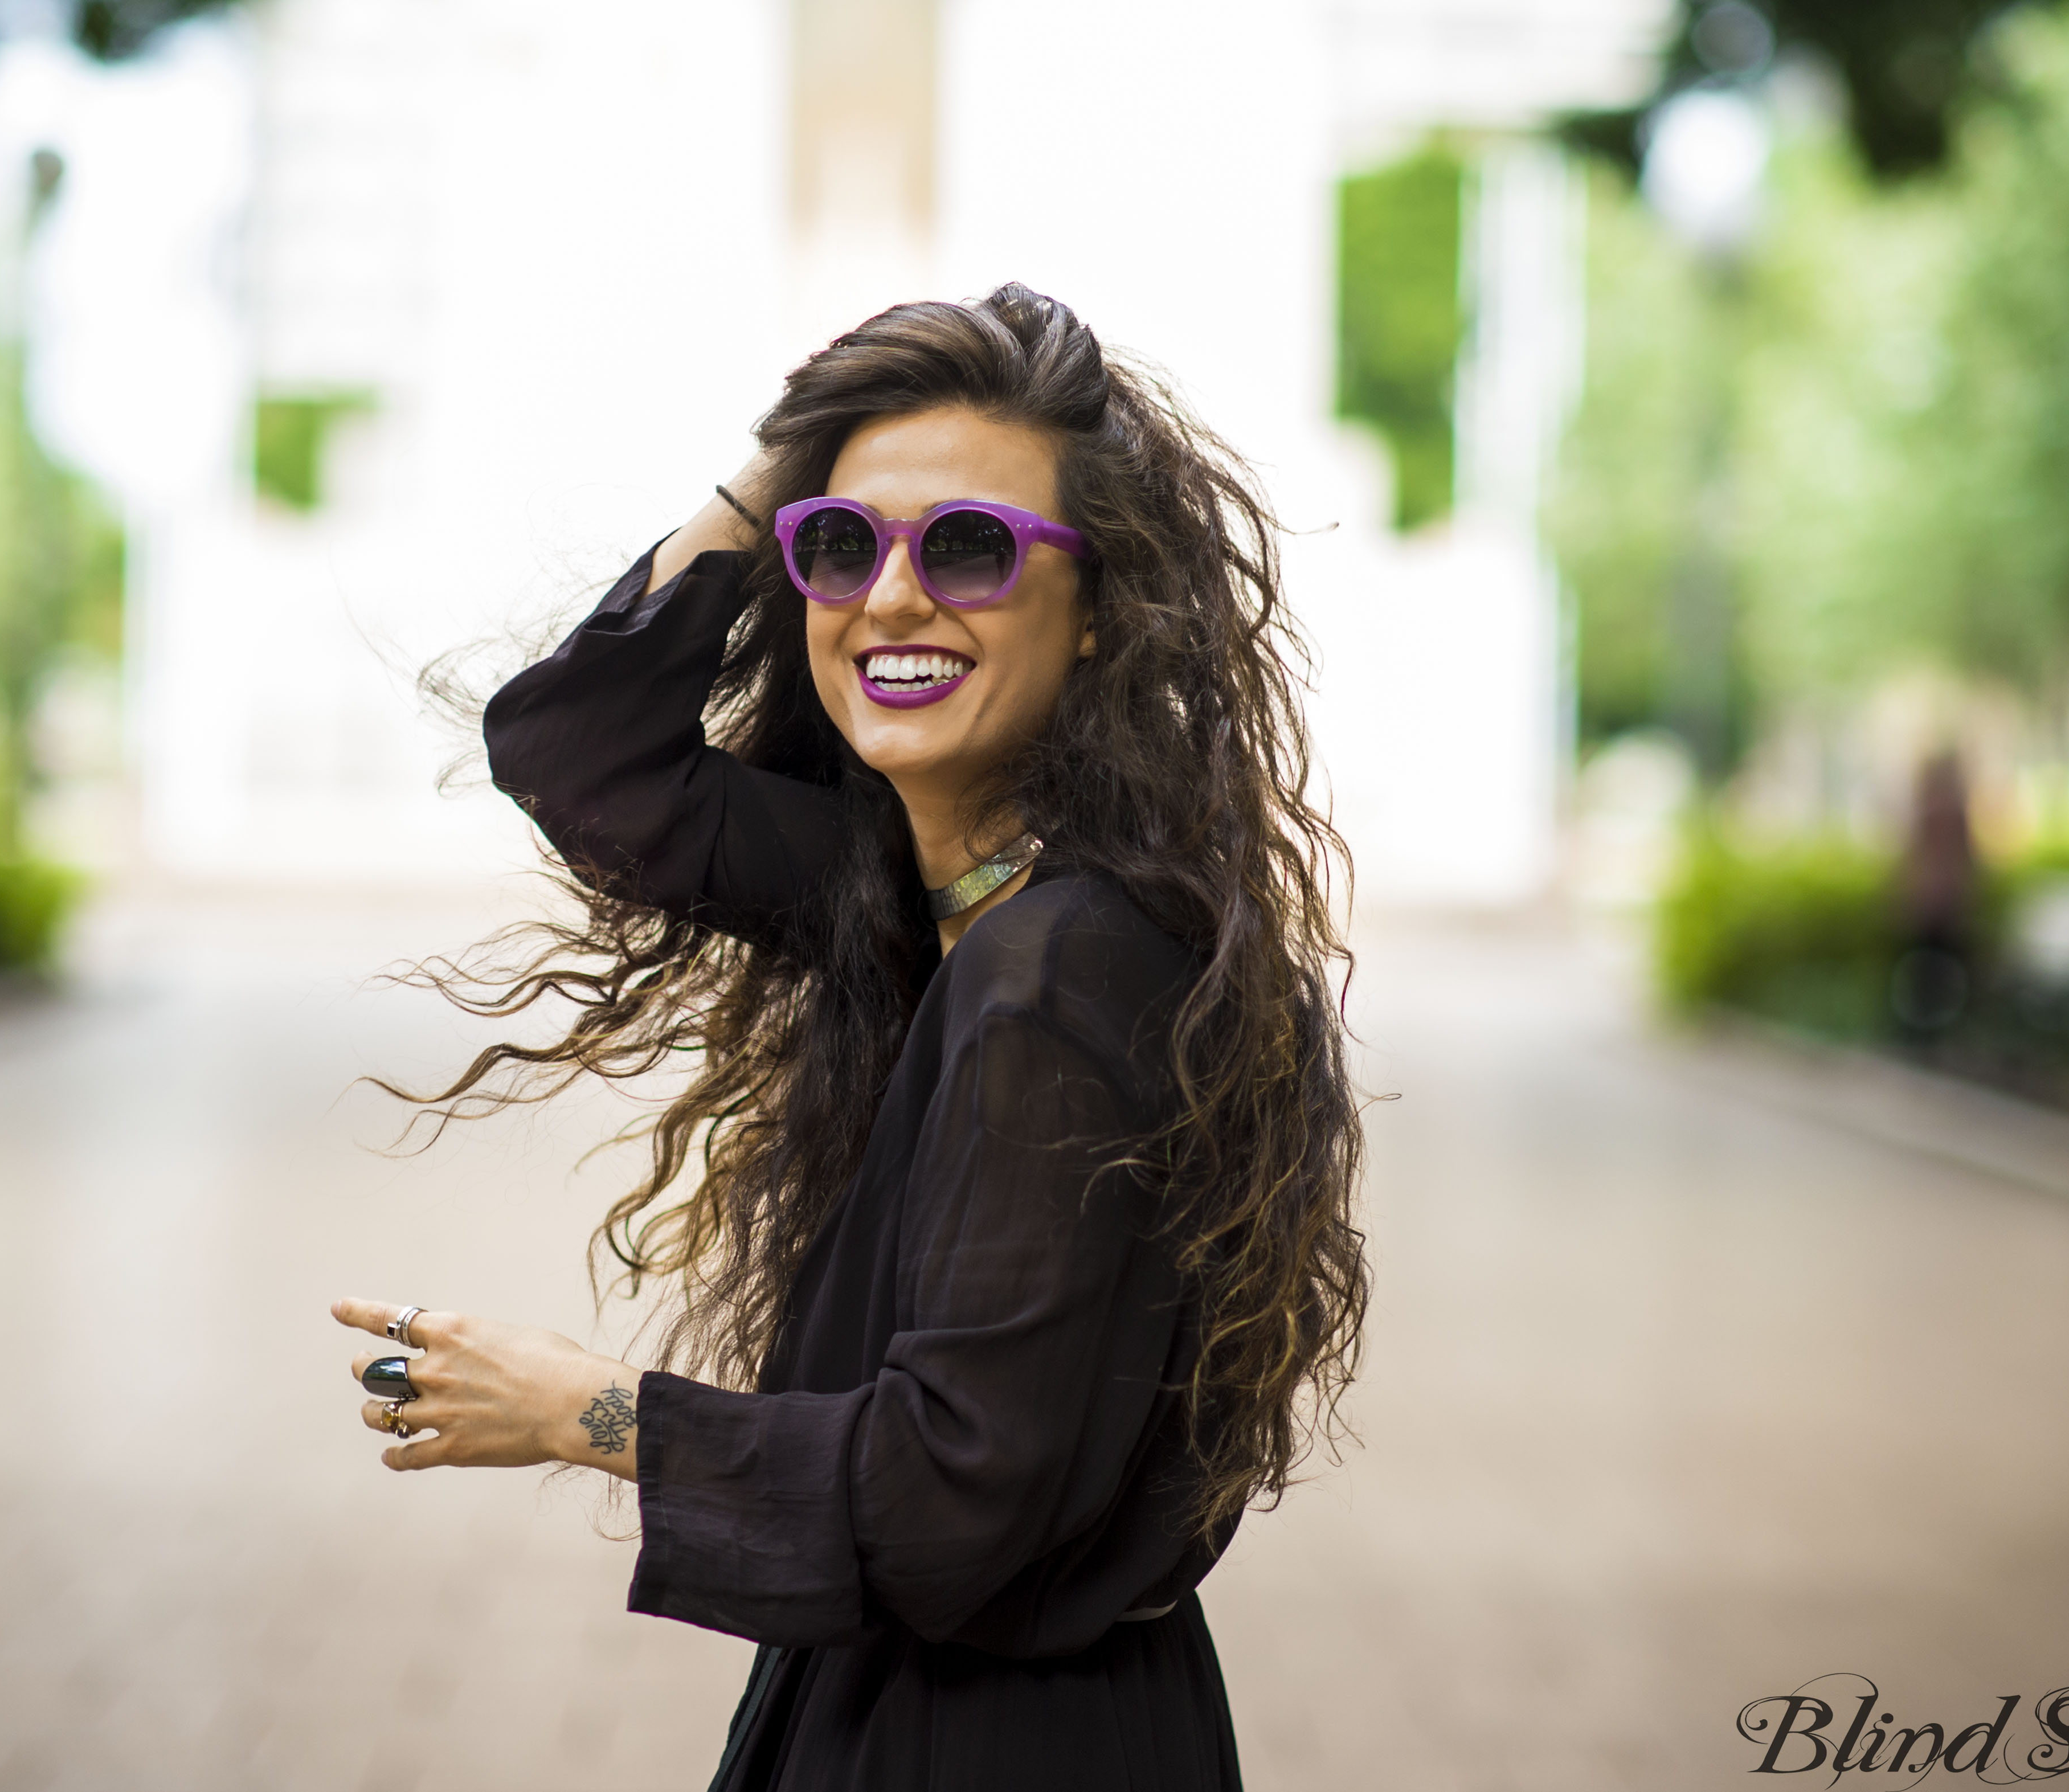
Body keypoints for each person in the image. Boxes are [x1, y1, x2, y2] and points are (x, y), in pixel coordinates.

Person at [332, 284, 1368, 1790]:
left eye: (969, 546)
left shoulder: (1054, 975)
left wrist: (578, 1407)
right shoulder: (923, 893)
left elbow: (946, 1500)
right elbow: (579, 752)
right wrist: (783, 454)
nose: (890, 599)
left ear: (1099, 617)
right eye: (840, 543)